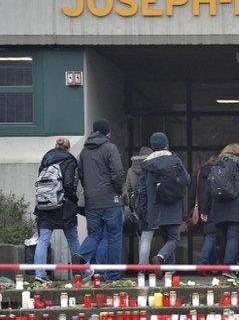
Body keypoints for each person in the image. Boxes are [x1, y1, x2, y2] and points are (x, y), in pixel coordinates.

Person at [72, 119, 125, 281]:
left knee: (94, 235)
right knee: (114, 236)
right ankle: (112, 274)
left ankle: (81, 257)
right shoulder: (110, 148)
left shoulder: (84, 151)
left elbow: (80, 175)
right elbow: (117, 172)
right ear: (107, 132)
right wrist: (120, 190)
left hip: (91, 202)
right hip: (110, 201)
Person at [137, 132, 190, 278]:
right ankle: (160, 258)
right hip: (173, 206)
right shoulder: (174, 160)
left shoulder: (147, 164)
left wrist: (143, 208)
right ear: (166, 144)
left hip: (155, 208)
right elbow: (187, 179)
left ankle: (166, 270)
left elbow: (142, 189)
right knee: (173, 239)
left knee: (161, 238)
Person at [33, 138, 80, 283]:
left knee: (43, 240)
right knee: (73, 239)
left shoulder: (45, 160)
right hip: (63, 206)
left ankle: (40, 274)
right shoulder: (69, 160)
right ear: (68, 148)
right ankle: (81, 273)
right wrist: (74, 199)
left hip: (45, 206)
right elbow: (68, 184)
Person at [207, 144, 239, 271]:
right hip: (237, 208)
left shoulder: (218, 165)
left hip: (219, 207)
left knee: (225, 238)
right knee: (233, 237)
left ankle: (227, 265)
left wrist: (208, 208)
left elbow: (210, 188)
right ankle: (228, 267)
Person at [196, 155, 219, 265]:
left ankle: (214, 265)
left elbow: (193, 191)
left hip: (201, 208)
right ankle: (203, 261)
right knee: (210, 235)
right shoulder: (217, 173)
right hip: (213, 208)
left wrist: (193, 207)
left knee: (209, 235)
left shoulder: (200, 173)